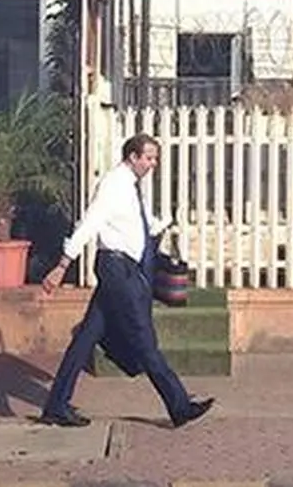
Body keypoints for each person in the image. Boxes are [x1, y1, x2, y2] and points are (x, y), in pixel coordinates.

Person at [37, 133, 215, 429]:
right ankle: (179, 405)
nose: (153, 164)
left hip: (123, 267)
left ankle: (56, 404)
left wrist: (164, 224)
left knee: (86, 337)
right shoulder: (113, 185)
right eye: (149, 158)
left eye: (155, 158)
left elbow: (139, 224)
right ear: (133, 156)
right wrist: (63, 264)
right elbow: (90, 223)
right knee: (144, 338)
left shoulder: (132, 187)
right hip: (117, 269)